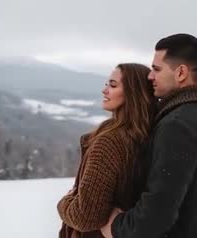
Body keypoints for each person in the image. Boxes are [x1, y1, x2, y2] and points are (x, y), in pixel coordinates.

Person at [101, 34, 197, 238]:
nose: (150, 76)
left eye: (157, 69)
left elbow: (157, 214)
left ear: (181, 73)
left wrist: (115, 227)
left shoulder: (178, 126)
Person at [57, 63, 156, 238]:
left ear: (133, 93)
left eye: (112, 85)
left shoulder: (108, 143)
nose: (105, 90)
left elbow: (85, 217)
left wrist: (64, 202)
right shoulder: (148, 135)